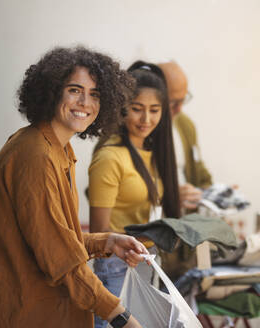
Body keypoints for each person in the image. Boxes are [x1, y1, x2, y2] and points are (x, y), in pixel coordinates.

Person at [0, 47, 147, 328]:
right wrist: (121, 317)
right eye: (75, 90)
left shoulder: (57, 149)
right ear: (53, 91)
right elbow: (60, 258)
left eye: (95, 94)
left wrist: (107, 242)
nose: (85, 102)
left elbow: (52, 239)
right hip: (4, 314)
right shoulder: (36, 155)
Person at [88, 61, 180, 328]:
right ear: (122, 109)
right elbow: (99, 232)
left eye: (154, 110)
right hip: (117, 267)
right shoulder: (110, 157)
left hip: (144, 264)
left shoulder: (150, 153)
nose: (146, 120)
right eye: (137, 109)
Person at [158, 61, 213, 211]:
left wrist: (215, 193)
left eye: (183, 100)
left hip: (183, 220)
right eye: (173, 102)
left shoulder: (185, 124)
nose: (179, 108)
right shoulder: (137, 128)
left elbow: (198, 169)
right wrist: (168, 197)